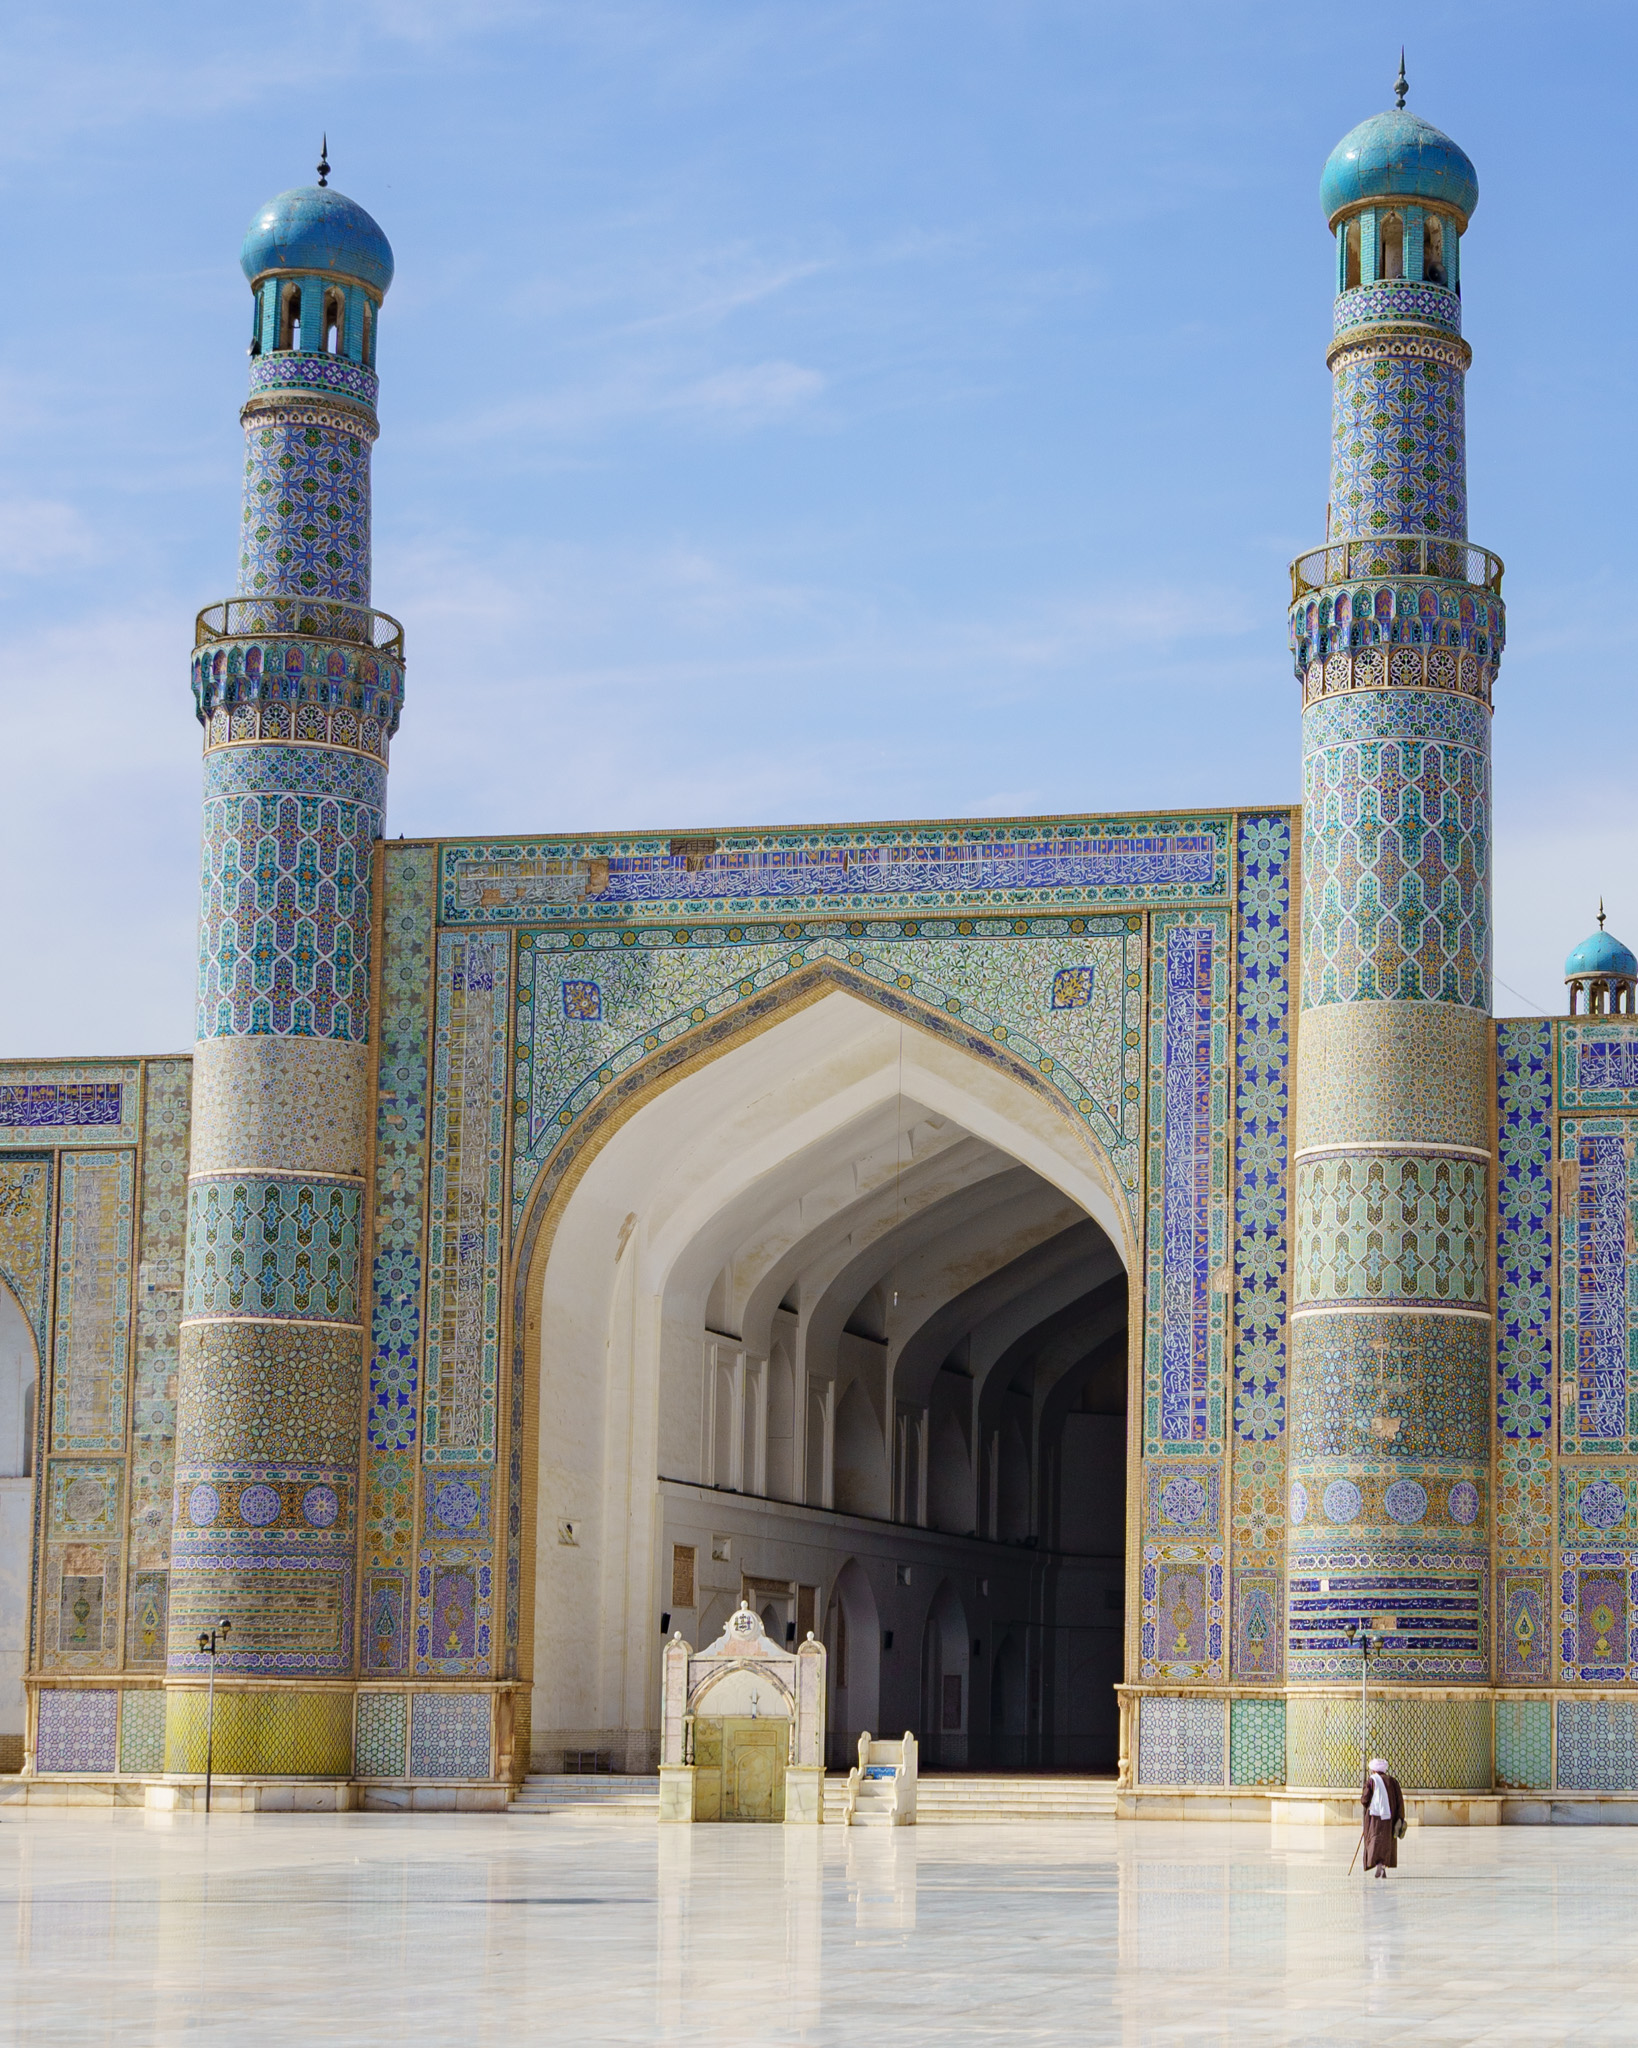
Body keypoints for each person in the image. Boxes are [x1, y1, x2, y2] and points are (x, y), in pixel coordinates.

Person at [1360, 1756, 1405, 1878]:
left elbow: (1365, 1799)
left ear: (1373, 1770)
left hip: (1374, 1818)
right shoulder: (1393, 1781)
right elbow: (1399, 1801)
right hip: (1389, 1818)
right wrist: (1400, 1817)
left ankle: (1377, 1863)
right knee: (1387, 1841)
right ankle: (1384, 1865)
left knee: (1374, 1839)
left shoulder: (1371, 1781)